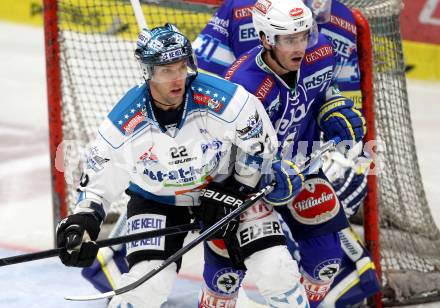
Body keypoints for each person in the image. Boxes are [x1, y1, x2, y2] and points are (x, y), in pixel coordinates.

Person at [56, 23, 310, 307]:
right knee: (146, 286)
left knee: (277, 269)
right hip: (158, 200)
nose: (177, 79)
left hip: (226, 188)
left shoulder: (226, 99)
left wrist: (235, 187)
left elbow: (261, 148)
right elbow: (96, 185)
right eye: (166, 71)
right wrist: (82, 222)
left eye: (181, 67)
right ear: (148, 72)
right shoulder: (123, 121)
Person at [219, 0, 380, 307]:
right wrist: (265, 171)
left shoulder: (320, 54)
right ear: (266, 39)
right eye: (290, 39)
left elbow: (325, 93)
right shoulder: (242, 84)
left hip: (302, 168)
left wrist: (334, 110)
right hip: (247, 185)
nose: (301, 46)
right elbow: (228, 153)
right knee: (231, 271)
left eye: (304, 35)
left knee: (326, 260)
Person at [194, 0, 362, 107]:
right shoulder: (238, 9)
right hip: (252, 140)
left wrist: (336, 108)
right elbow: (202, 82)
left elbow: (347, 97)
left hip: (310, 150)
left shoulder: (344, 21)